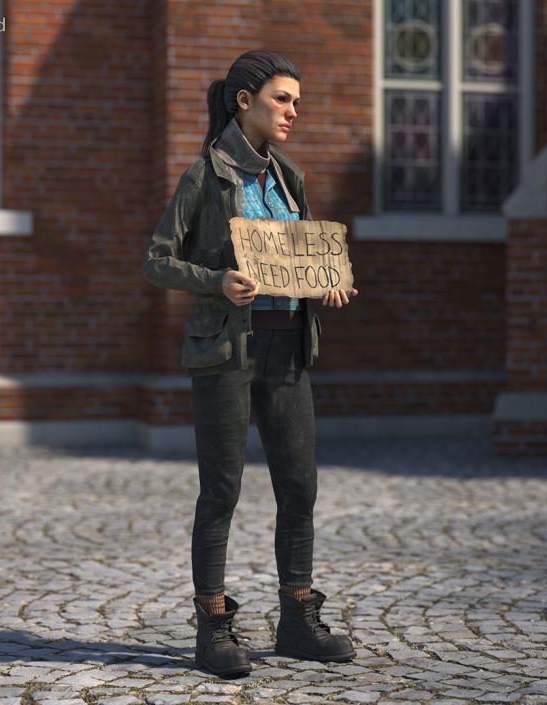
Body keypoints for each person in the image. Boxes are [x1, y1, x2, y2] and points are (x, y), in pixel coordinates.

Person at [141, 48, 359, 678]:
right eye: (282, 99)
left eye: (296, 101)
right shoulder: (205, 175)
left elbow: (301, 258)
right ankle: (213, 625)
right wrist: (215, 281)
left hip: (289, 346)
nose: (294, 111)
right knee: (223, 491)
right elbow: (156, 259)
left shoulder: (289, 175)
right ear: (245, 101)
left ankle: (296, 618)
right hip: (227, 352)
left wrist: (326, 284)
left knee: (299, 487)